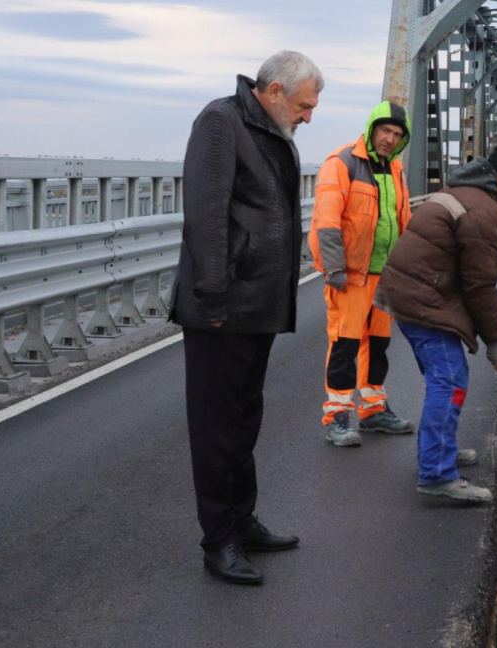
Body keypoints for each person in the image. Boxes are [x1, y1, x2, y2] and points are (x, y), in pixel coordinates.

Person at [171, 51, 322, 585]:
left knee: (243, 422)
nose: (309, 116)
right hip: (224, 307)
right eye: (305, 105)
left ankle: (242, 520)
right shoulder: (221, 122)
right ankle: (220, 541)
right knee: (216, 428)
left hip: (255, 307)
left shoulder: (265, 127)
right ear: (275, 90)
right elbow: (207, 215)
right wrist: (212, 300)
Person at [374, 142, 497, 503]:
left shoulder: (462, 191)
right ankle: (437, 473)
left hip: (408, 293)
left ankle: (439, 449)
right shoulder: (484, 212)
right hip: (422, 299)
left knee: (445, 379)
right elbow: (480, 285)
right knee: (449, 380)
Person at [310, 101, 415, 447]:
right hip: (352, 274)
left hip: (385, 274)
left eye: (397, 134)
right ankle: (337, 416)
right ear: (372, 128)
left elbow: (403, 220)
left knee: (379, 345)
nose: (390, 138)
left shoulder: (395, 168)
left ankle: (373, 410)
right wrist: (334, 266)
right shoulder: (342, 162)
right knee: (345, 344)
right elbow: (326, 220)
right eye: (385, 130)